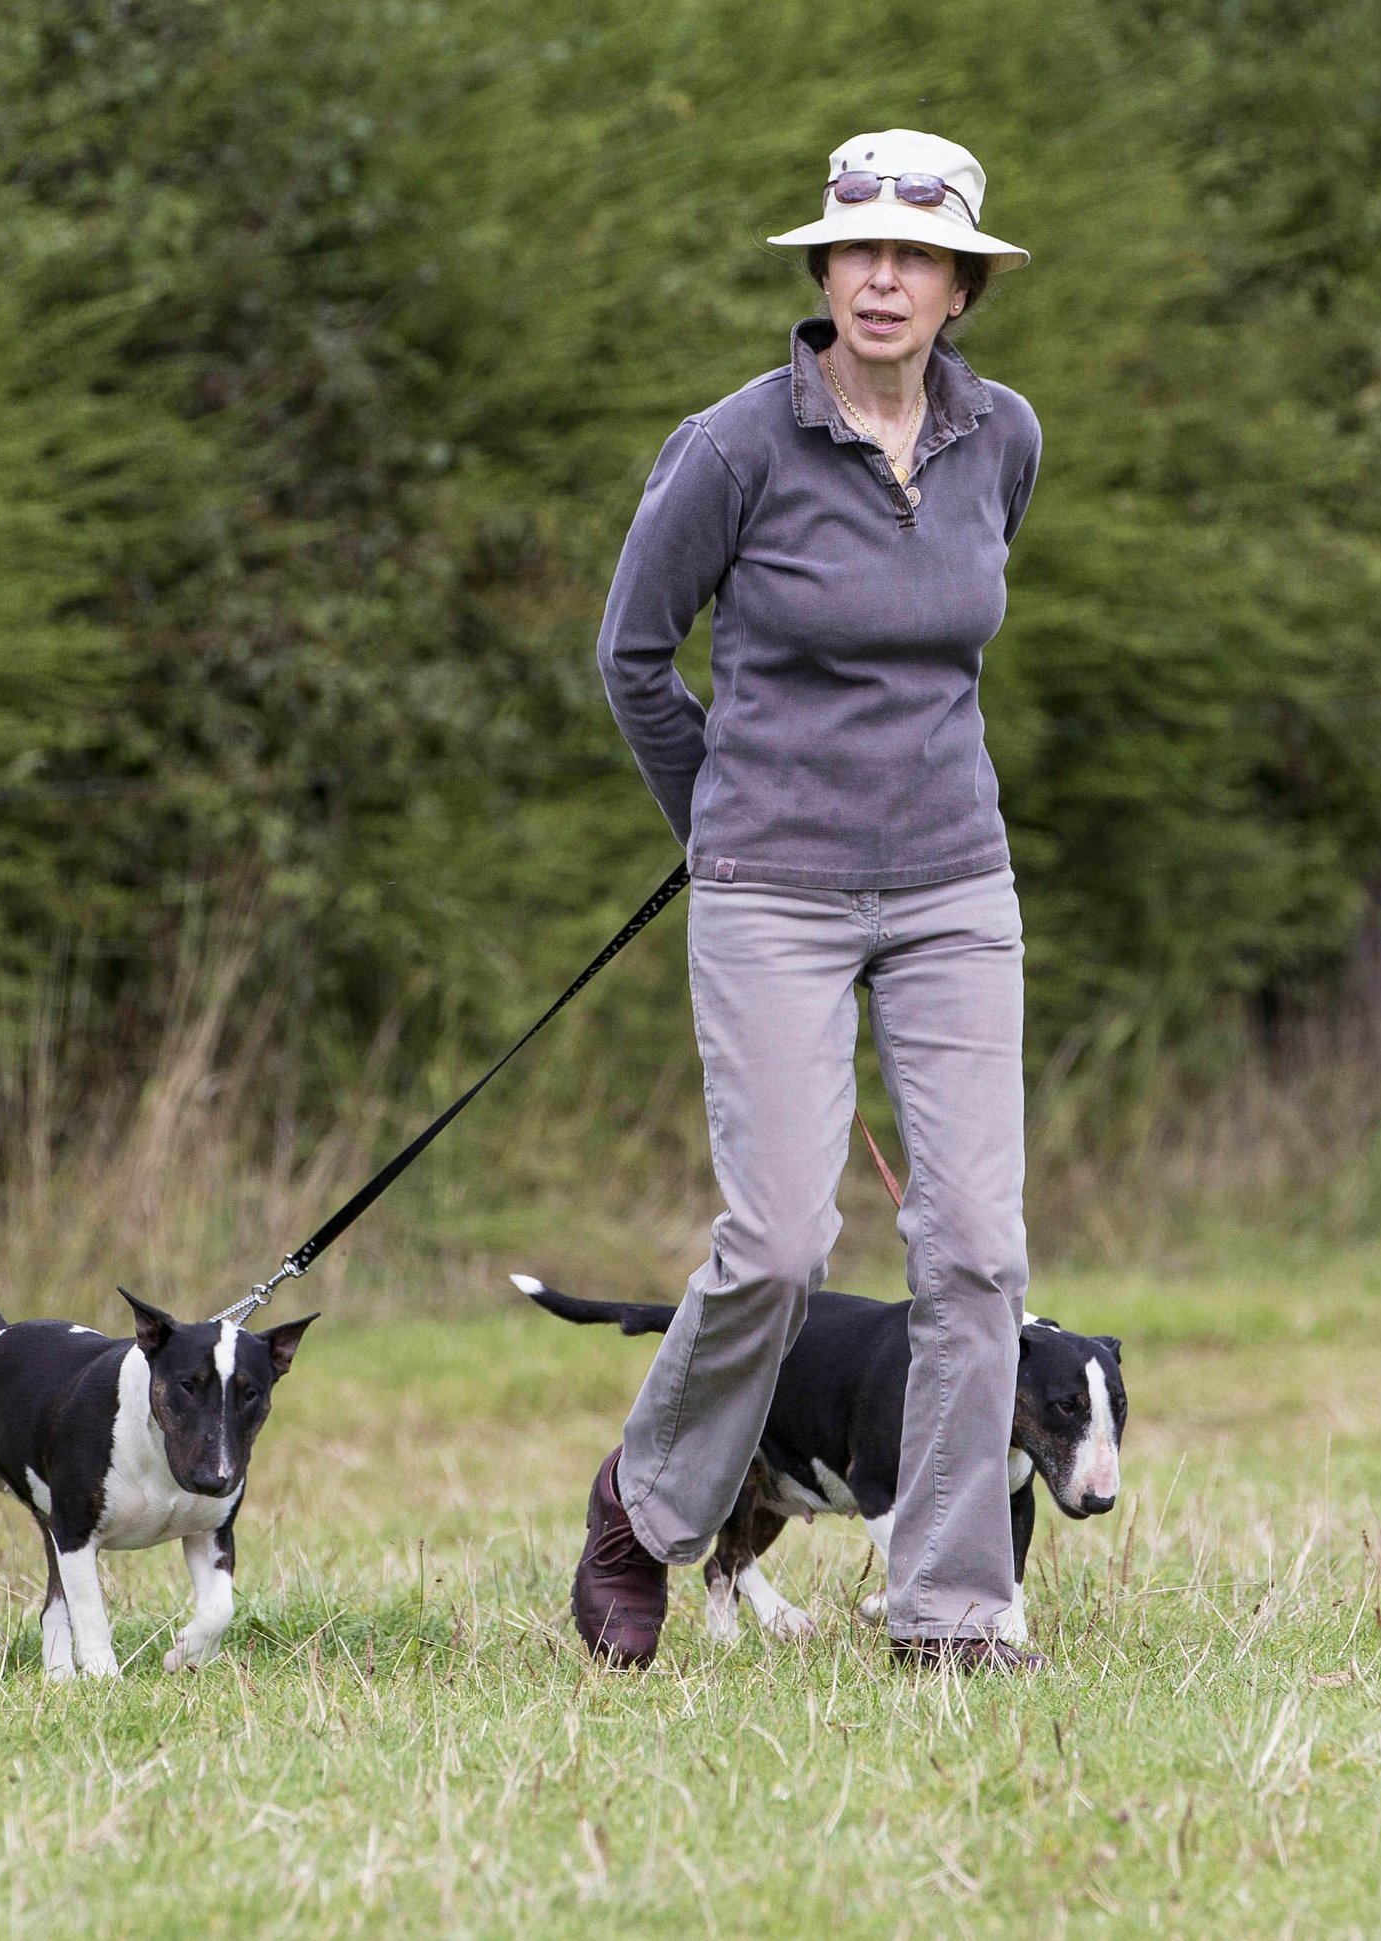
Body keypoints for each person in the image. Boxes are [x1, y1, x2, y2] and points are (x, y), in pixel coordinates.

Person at [572, 129, 1046, 1674]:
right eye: (859, 249)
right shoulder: (732, 449)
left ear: (964, 283)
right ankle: (644, 1511)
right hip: (770, 885)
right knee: (781, 1243)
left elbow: (953, 640)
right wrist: (717, 816)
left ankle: (953, 1606)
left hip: (955, 884)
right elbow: (633, 658)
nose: (886, 274)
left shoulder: (1004, 441)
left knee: (975, 1246)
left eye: (919, 251)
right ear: (823, 270)